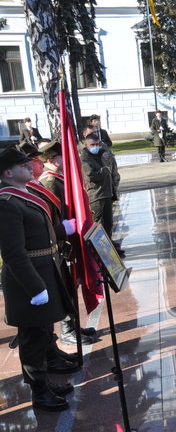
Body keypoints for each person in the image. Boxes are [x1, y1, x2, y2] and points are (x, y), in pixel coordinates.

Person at [0, 145, 77, 410]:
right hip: (27, 280)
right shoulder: (7, 204)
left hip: (44, 270)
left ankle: (46, 380)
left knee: (43, 330)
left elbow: (39, 234)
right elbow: (13, 253)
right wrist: (34, 288)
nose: (29, 166)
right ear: (8, 173)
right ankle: (39, 392)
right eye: (22, 165)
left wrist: (60, 230)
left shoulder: (23, 196)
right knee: (31, 338)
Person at [38, 141, 99, 346]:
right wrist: (64, 239)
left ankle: (74, 326)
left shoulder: (58, 178)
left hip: (66, 239)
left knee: (71, 287)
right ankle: (67, 330)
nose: (66, 160)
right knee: (65, 289)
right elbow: (55, 216)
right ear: (51, 159)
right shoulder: (50, 182)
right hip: (60, 242)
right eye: (62, 156)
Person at [81, 133, 123, 257]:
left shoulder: (100, 154)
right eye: (92, 145)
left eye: (97, 144)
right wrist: (104, 170)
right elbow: (90, 175)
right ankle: (102, 253)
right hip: (96, 195)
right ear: (86, 145)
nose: (95, 147)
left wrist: (106, 161)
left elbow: (111, 166)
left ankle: (110, 248)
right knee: (99, 225)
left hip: (106, 193)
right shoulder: (85, 158)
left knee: (108, 223)